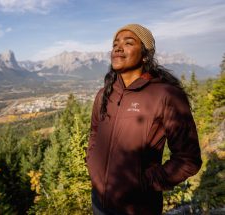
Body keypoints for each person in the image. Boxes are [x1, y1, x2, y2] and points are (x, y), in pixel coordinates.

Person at [86, 24, 202, 215]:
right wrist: (92, 164)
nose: (118, 47)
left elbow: (188, 159)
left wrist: (143, 182)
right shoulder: (103, 94)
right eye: (115, 43)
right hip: (99, 201)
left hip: (138, 207)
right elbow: (95, 133)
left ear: (146, 55)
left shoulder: (165, 95)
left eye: (128, 43)